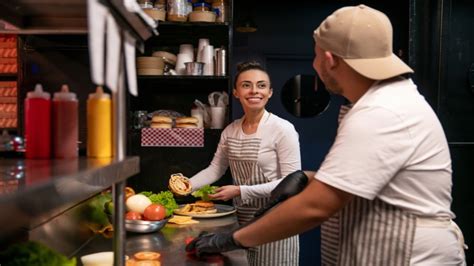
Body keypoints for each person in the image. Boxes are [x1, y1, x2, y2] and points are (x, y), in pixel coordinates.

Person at [186, 5, 467, 265]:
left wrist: (232, 239)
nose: (314, 65)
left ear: (330, 59)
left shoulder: (381, 112)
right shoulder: (381, 102)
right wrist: (309, 177)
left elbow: (317, 206)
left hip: (406, 255)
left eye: (316, 55)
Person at [189, 60, 302, 265]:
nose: (254, 91)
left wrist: (239, 191)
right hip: (242, 222)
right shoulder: (230, 130)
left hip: (276, 221)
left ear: (269, 92)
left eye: (261, 85)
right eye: (246, 85)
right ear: (236, 92)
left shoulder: (282, 129)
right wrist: (187, 185)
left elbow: (292, 183)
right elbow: (215, 169)